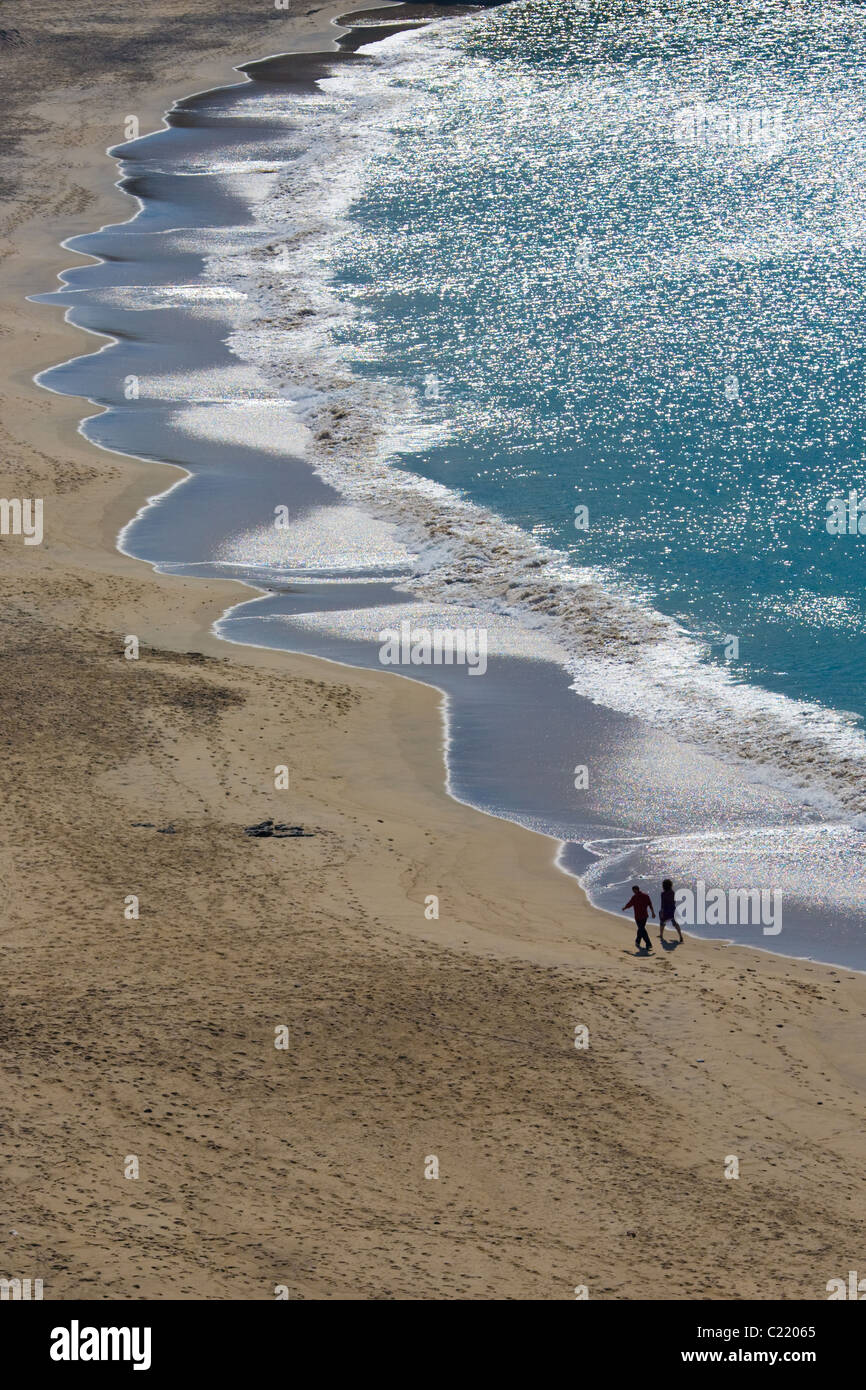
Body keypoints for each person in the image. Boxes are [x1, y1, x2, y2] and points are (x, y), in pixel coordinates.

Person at [622, 885, 655, 952]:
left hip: (642, 916)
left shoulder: (644, 896)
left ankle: (648, 944)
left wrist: (653, 913)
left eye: (634, 890)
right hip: (639, 916)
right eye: (633, 891)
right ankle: (637, 941)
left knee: (642, 929)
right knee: (641, 929)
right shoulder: (635, 897)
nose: (634, 892)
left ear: (637, 889)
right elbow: (630, 904)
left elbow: (650, 904)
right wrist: (625, 908)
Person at [658, 878, 684, 944]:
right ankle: (680, 936)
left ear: (664, 886)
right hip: (673, 909)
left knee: (662, 922)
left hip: (666, 910)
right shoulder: (673, 893)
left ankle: (661, 935)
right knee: (675, 923)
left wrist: (661, 911)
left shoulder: (663, 893)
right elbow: (674, 901)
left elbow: (662, 903)